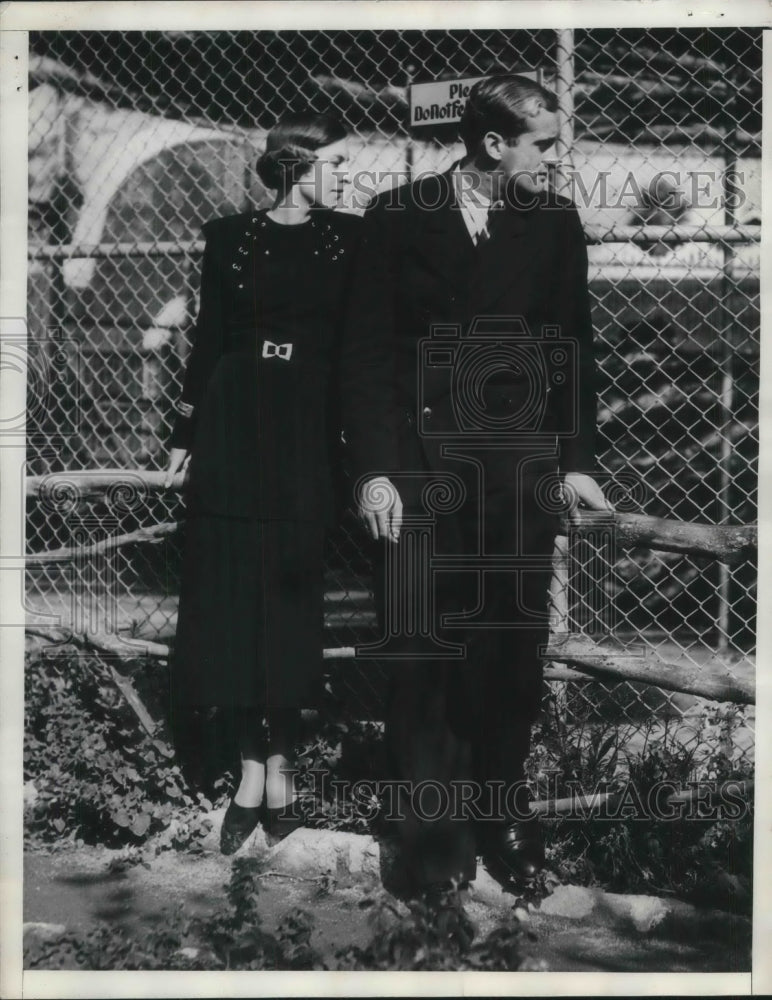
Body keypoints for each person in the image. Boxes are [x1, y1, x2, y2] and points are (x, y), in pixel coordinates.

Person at [344, 75, 612, 941]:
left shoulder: (554, 224)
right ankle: (432, 849)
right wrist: (377, 472)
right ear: (494, 142)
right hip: (419, 473)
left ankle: (499, 823)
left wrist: (575, 463)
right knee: (423, 661)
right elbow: (367, 354)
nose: (552, 156)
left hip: (514, 476)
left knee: (507, 660)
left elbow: (571, 347)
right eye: (541, 142)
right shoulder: (395, 217)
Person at [165, 112, 400, 856]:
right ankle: (246, 774)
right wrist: (182, 431)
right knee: (234, 604)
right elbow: (208, 342)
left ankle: (285, 772)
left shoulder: (352, 239)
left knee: (290, 604)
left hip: (304, 433)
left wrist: (365, 452)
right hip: (234, 425)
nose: (343, 172)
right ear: (299, 165)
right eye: (334, 160)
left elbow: (362, 349)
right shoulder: (226, 239)